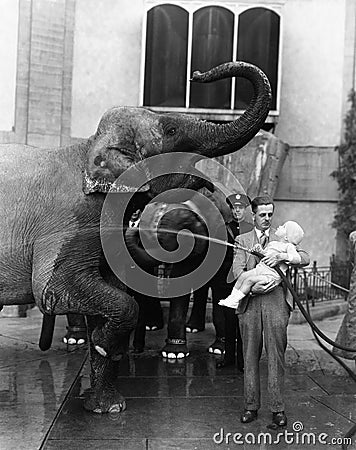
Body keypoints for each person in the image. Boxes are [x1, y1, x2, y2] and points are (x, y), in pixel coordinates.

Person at [232, 196, 309, 428]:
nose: (267, 219)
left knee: (276, 355)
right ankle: (250, 406)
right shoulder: (242, 238)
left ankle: (277, 409)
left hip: (276, 302)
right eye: (262, 214)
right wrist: (252, 287)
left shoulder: (284, 237)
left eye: (270, 214)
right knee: (250, 355)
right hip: (251, 302)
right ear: (253, 215)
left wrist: (283, 256)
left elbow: (305, 258)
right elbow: (236, 267)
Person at [219, 220, 304, 310]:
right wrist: (260, 250)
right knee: (242, 276)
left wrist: (283, 256)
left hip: (270, 276)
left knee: (249, 280)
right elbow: (265, 255)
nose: (279, 226)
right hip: (260, 270)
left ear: (286, 237)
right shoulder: (273, 244)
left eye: (283, 227)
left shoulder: (289, 247)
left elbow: (298, 258)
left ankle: (236, 301)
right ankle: (232, 299)